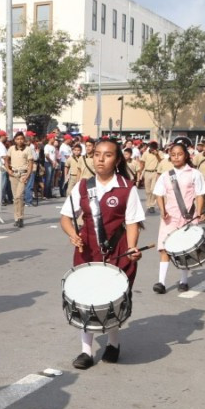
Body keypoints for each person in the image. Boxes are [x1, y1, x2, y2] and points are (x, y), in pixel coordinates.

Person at [59, 138, 144, 369]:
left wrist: (132, 247)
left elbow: (133, 221)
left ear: (117, 160)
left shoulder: (127, 188)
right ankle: (86, 351)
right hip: (87, 250)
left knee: (111, 298)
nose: (100, 159)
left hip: (117, 250)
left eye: (107, 155)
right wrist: (71, 234)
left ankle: (113, 344)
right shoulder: (83, 187)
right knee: (86, 298)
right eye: (97, 154)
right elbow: (66, 217)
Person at [152, 141, 205, 293]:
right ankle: (161, 283)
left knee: (185, 249)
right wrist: (162, 210)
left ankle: (184, 281)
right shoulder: (165, 175)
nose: (176, 157)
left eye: (179, 154)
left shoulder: (195, 174)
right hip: (170, 217)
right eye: (173, 155)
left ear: (186, 156)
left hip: (188, 216)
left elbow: (200, 194)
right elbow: (159, 194)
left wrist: (200, 212)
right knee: (165, 249)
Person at [3, 132, 34, 228]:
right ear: (15, 140)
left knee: (19, 195)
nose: (19, 141)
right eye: (17, 139)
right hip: (13, 174)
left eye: (21, 139)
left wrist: (28, 175)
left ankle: (20, 217)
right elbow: (6, 159)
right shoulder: (11, 149)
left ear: (24, 139)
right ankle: (17, 218)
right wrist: (8, 170)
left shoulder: (28, 149)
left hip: (23, 174)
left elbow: (30, 163)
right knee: (15, 198)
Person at [140, 141, 162, 213]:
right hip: (147, 172)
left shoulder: (159, 153)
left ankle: (152, 205)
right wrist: (140, 172)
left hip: (155, 172)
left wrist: (157, 155)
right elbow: (142, 162)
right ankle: (148, 205)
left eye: (154, 147)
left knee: (153, 189)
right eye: (152, 147)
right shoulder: (145, 153)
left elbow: (161, 161)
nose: (153, 149)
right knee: (147, 190)